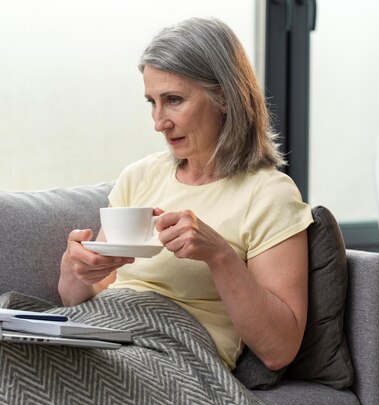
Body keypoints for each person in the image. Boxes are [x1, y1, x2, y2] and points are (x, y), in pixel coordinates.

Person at [58, 17, 313, 371]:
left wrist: (220, 256)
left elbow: (279, 349)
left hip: (175, 355)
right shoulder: (140, 176)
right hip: (103, 331)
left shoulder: (268, 194)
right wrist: (75, 269)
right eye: (152, 102)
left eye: (173, 100)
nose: (158, 122)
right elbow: (76, 298)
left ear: (224, 96)